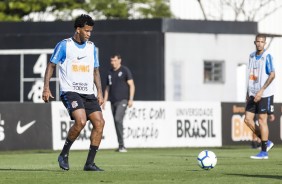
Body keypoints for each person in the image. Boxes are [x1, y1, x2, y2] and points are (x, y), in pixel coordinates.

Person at [42, 14, 105, 171]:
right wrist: (46, 87)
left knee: (100, 123)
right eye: (86, 31)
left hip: (88, 93)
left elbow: (96, 71)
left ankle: (89, 163)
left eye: (91, 31)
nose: (89, 34)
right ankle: (63, 154)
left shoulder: (91, 47)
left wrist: (100, 92)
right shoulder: (64, 45)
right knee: (81, 121)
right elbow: (51, 66)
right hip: (70, 91)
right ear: (78, 30)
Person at [244, 34, 275, 159]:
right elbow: (251, 75)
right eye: (258, 41)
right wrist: (248, 92)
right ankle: (266, 142)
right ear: (254, 42)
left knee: (262, 120)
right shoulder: (251, 56)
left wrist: (261, 91)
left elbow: (272, 75)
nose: (259, 44)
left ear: (265, 43)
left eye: (262, 42)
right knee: (247, 120)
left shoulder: (267, 56)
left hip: (264, 94)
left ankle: (264, 152)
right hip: (252, 93)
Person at [103, 54, 135, 152]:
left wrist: (131, 99)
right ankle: (121, 145)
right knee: (116, 123)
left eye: (115, 60)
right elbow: (107, 88)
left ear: (119, 60)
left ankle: (122, 145)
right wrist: (104, 100)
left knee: (117, 119)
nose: (113, 62)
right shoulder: (109, 72)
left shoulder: (125, 70)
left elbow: (132, 85)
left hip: (123, 100)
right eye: (112, 60)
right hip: (113, 101)